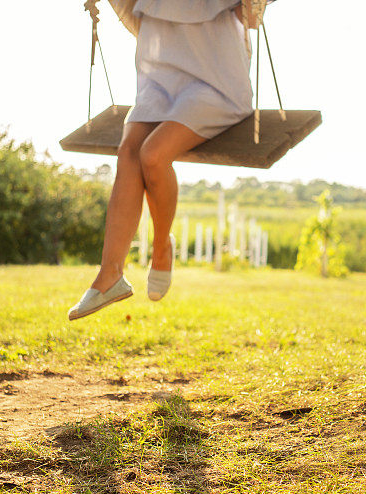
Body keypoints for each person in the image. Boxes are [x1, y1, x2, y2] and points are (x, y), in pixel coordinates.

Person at [68, 0, 257, 320]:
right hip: (160, 72)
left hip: (213, 77)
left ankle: (161, 246)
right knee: (128, 152)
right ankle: (109, 274)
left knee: (152, 154)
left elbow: (248, 15)